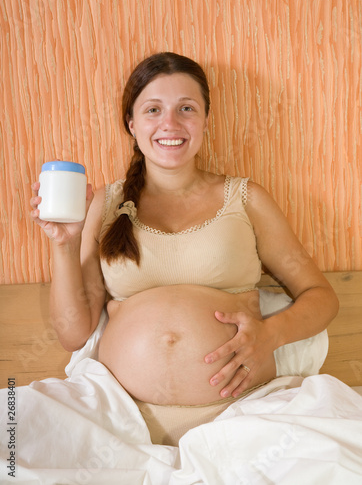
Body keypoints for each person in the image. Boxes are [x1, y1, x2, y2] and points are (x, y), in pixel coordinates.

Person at [31, 52, 339, 446]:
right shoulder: (105, 203)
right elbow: (73, 335)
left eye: (186, 108)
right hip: (118, 422)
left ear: (206, 121)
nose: (170, 124)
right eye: (153, 109)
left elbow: (323, 298)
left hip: (244, 416)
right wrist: (64, 245)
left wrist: (271, 334)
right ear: (132, 123)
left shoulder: (245, 199)